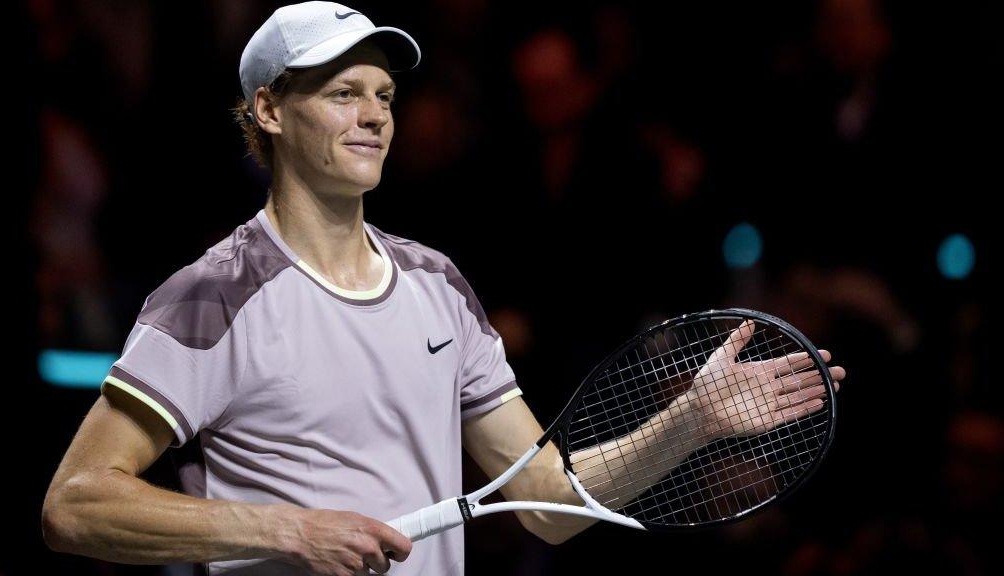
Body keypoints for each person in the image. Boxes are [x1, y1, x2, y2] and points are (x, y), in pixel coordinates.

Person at [41, 3, 846, 575]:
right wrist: (289, 531)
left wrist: (690, 423)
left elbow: (541, 505)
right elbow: (75, 505)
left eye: (384, 95)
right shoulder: (213, 295)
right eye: (342, 93)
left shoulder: (437, 286)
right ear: (271, 111)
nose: (375, 116)